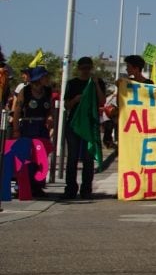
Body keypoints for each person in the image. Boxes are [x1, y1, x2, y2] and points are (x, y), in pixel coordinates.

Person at [62, 57, 107, 200]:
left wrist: (95, 84)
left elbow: (102, 101)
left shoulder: (96, 82)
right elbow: (66, 105)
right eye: (83, 68)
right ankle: (70, 188)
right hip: (74, 124)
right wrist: (76, 99)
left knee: (88, 158)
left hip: (90, 124)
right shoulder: (72, 83)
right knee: (72, 158)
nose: (86, 71)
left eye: (88, 68)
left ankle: (86, 189)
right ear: (79, 68)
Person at [10, 66, 55, 197]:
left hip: (42, 128)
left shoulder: (47, 91)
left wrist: (50, 117)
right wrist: (16, 129)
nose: (47, 79)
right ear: (39, 78)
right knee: (26, 157)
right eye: (45, 76)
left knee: (41, 158)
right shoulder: (26, 91)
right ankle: (22, 186)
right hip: (28, 126)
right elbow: (17, 111)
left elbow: (50, 109)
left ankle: (37, 186)